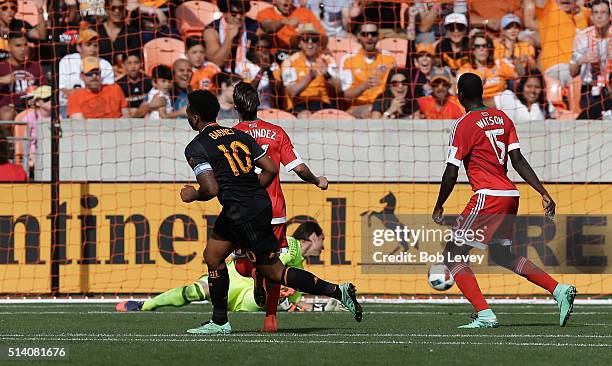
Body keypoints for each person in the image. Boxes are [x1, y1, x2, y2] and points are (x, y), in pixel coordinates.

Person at [180, 89, 361, 334]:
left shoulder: (197, 146)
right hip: (257, 205)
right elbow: (271, 168)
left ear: (194, 117)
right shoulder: (237, 135)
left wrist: (193, 194)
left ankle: (220, 322)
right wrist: (252, 190)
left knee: (272, 271)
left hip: (240, 211)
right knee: (214, 256)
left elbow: (210, 188)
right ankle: (220, 320)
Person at [432, 72, 576, 328]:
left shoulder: (463, 124)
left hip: (488, 196)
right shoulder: (502, 117)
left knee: (453, 254)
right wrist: (542, 192)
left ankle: (485, 314)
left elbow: (451, 171)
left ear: (460, 95)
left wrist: (439, 204)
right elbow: (517, 159)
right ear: (482, 93)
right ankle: (558, 289)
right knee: (501, 254)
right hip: (510, 195)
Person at [232, 81, 329, 331]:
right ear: (258, 105)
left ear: (236, 107)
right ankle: (271, 319)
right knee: (274, 265)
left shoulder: (231, 134)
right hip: (274, 209)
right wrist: (317, 180)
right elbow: (297, 168)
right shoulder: (276, 132)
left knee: (242, 265)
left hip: (244, 209)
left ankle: (255, 276)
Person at [115, 222, 344, 313]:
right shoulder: (289, 245)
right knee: (197, 290)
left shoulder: (297, 265)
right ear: (312, 237)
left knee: (273, 296)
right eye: (322, 240)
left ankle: (262, 287)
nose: (324, 247)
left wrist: (309, 306)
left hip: (244, 289)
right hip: (236, 276)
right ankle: (145, 305)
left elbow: (294, 299)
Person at [281, 23, 341, 118]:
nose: (310, 43)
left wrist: (326, 74)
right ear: (299, 43)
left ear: (319, 43)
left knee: (329, 117)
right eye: (305, 39)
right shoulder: (289, 62)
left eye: (314, 39)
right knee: (305, 116)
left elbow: (339, 90)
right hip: (299, 105)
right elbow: (292, 92)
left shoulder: (328, 60)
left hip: (323, 105)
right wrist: (309, 78)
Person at [340, 22, 396, 118]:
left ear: (378, 36)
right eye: (365, 34)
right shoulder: (348, 59)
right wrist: (364, 86)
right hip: (358, 106)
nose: (369, 37)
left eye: (373, 34)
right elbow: (347, 96)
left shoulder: (389, 58)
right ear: (358, 36)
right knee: (371, 113)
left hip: (383, 105)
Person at [58, 27, 115, 117]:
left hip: (97, 107)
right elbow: (61, 88)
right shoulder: (67, 61)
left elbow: (108, 92)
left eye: (95, 45)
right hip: (67, 107)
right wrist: (80, 97)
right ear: (79, 47)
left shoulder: (105, 65)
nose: (93, 49)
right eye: (88, 45)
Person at [570, 0, 611, 120]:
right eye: (596, 12)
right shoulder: (581, 37)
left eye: (603, 12)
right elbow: (572, 72)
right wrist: (581, 60)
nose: (599, 16)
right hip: (589, 91)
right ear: (591, 16)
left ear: (609, 16)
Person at [536, 0, 591, 86]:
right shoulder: (549, 9)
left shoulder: (583, 13)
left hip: (581, 73)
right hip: (555, 69)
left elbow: (604, 13)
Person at [458, 32, 516, 105]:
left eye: (484, 45)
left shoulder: (499, 64)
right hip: (477, 106)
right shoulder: (464, 71)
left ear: (489, 48)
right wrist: (478, 86)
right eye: (477, 46)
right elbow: (461, 97)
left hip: (501, 106)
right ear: (472, 50)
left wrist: (516, 59)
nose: (481, 49)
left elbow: (519, 75)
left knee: (508, 95)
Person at [0, 32, 48, 121]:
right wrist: (2, 80)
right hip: (9, 107)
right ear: (9, 47)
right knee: (6, 115)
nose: (23, 49)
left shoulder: (36, 66)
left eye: (25, 45)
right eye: (18, 46)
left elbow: (45, 89)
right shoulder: (1, 66)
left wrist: (38, 96)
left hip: (32, 106)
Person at [203, 0, 259, 72]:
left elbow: (267, 27)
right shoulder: (211, 30)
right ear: (224, 13)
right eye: (233, 14)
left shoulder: (252, 25)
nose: (238, 17)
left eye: (241, 13)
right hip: (221, 75)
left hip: (247, 73)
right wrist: (229, 38)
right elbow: (217, 63)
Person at [235, 35, 282, 110]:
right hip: (250, 110)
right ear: (252, 51)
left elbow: (277, 91)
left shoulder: (275, 66)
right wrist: (261, 71)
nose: (264, 52)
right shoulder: (244, 66)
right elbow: (247, 93)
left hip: (270, 111)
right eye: (260, 48)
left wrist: (269, 71)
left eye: (267, 48)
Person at [257, 0, 325, 52]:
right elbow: (267, 28)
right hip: (276, 55)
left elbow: (323, 37)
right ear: (274, 1)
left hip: (301, 54)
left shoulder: (305, 13)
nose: (287, 0)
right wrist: (284, 21)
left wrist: (306, 32)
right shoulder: (266, 13)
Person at [494, 14, 537, 79]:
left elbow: (534, 68)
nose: (513, 30)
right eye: (509, 27)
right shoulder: (497, 47)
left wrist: (528, 59)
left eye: (516, 27)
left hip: (522, 78)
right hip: (503, 80)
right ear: (503, 30)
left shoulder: (526, 46)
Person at [116, 52, 155, 117]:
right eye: (129, 63)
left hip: (146, 116)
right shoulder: (119, 84)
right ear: (123, 65)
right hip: (127, 117)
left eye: (136, 63)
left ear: (141, 64)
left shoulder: (149, 82)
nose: (133, 66)